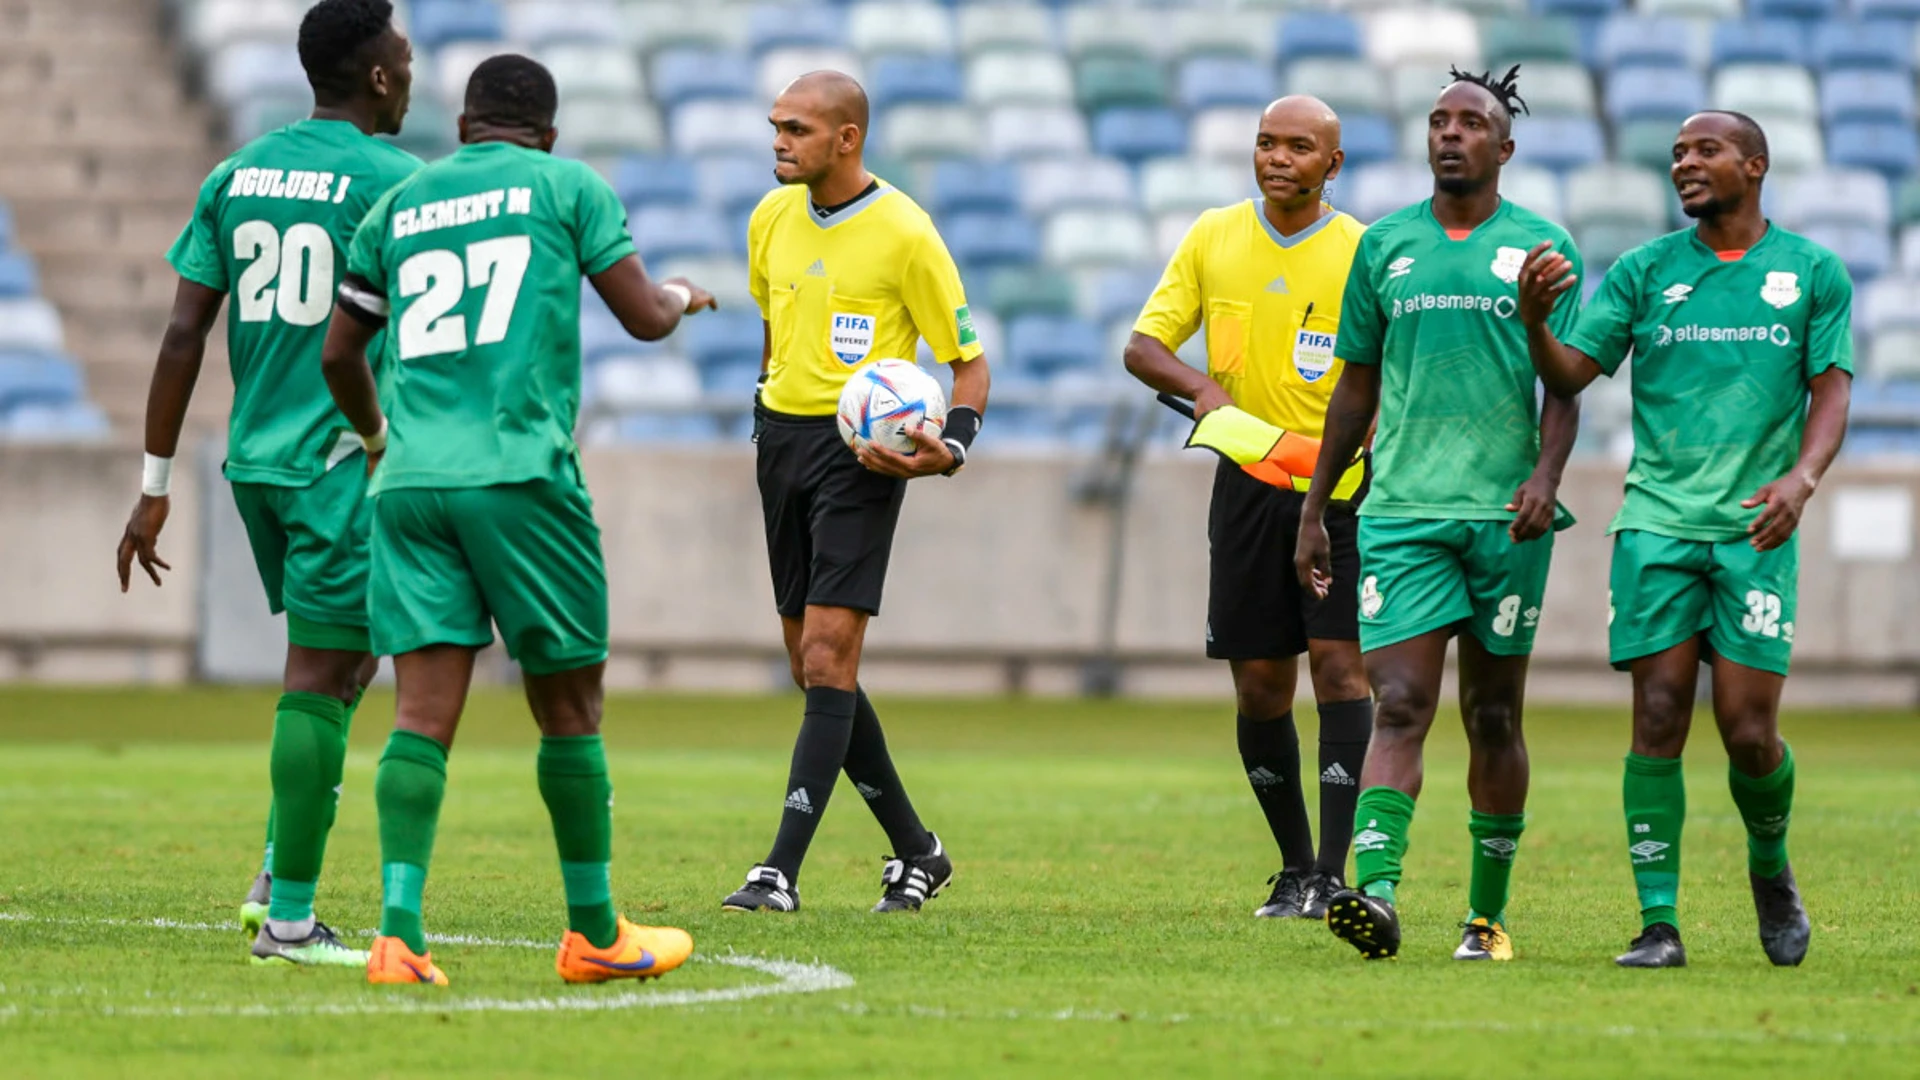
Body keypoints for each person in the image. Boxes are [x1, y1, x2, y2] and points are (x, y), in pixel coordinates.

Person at [320, 54, 715, 985]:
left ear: (462, 127)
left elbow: (341, 351)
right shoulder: (568, 186)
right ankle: (594, 934)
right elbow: (644, 318)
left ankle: (397, 936)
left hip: (411, 484)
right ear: (548, 130)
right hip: (520, 474)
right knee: (569, 707)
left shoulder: (402, 206)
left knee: (418, 713)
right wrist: (687, 297)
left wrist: (379, 440)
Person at [115, 0, 420, 967]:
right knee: (321, 673)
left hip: (255, 462)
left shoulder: (237, 172)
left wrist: (155, 482)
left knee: (348, 662)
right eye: (404, 59)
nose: (411, 73)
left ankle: (277, 865)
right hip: (342, 458)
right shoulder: (402, 184)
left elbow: (180, 336)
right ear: (377, 76)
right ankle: (286, 918)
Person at [1515, 111, 1847, 969]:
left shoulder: (1811, 271)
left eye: (1706, 151)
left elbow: (1831, 393)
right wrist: (1534, 323)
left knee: (1746, 731)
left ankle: (1769, 868)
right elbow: (1569, 377)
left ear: (1756, 163)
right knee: (1658, 713)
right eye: (1677, 155)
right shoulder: (1643, 271)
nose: (1686, 165)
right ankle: (1658, 924)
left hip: (1755, 528)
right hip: (1657, 522)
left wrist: (1801, 480)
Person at [1294, 66, 1583, 962]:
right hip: (1404, 511)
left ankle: (1486, 918)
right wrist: (1317, 506)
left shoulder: (1540, 245)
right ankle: (1373, 895)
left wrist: (1545, 475)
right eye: (1437, 121)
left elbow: (1567, 382)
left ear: (1505, 146)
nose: (1450, 134)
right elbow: (1356, 385)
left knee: (1493, 717)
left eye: (1471, 123)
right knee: (1402, 704)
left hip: (1507, 518)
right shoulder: (1384, 247)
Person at [720, 71, 990, 915]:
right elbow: (772, 331)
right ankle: (918, 849)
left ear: (847, 139)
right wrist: (769, 413)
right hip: (781, 441)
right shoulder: (769, 217)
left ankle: (779, 872)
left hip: (860, 459)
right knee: (815, 667)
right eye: (775, 126)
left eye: (796, 129)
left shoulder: (907, 232)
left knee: (830, 658)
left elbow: (970, 365)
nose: (778, 141)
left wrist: (948, 448)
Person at [1124, 96, 1373, 920]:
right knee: (1262, 686)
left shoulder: (1364, 253)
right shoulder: (1213, 236)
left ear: (1331, 164)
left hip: (1340, 491)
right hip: (1246, 487)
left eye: (1300, 147)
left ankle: (1335, 874)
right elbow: (1143, 345)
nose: (1278, 158)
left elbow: (1387, 375)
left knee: (1340, 669)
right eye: (1267, 143)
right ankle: (1295, 866)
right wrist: (1200, 387)